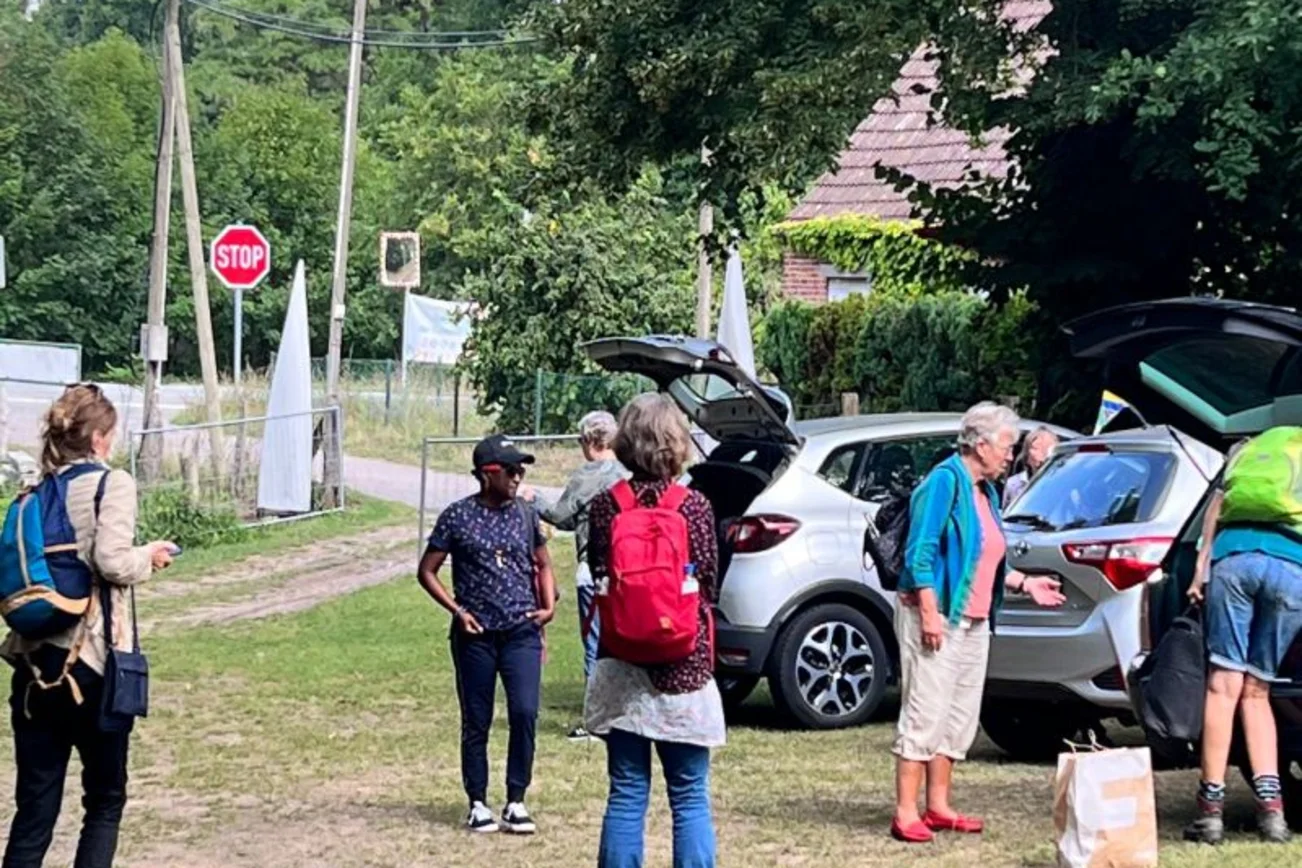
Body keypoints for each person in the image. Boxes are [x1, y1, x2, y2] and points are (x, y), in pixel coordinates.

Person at [1, 384, 175, 868]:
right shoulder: (110, 484)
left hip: (33, 665)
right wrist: (150, 555)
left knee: (34, 811)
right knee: (104, 800)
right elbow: (113, 563)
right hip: (93, 665)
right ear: (99, 438)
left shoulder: (32, 495)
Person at [891, 402, 1066, 844]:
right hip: (937, 615)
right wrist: (929, 613)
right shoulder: (943, 483)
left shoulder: (985, 492)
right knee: (925, 709)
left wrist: (1026, 584)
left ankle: (939, 806)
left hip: (973, 620)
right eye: (1007, 445)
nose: (1012, 454)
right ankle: (905, 811)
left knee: (959, 713)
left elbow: (981, 559)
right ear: (981, 444)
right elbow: (919, 555)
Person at [585, 393, 723, 868]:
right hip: (684, 664)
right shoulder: (696, 506)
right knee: (689, 797)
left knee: (626, 793)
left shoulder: (607, 507)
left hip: (622, 660)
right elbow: (708, 581)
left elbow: (599, 569)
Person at [416, 434, 556, 835]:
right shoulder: (457, 516)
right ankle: (477, 800)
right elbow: (427, 570)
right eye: (511, 470)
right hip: (475, 635)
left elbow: (543, 563)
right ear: (487, 473)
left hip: (521, 631)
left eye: (521, 470)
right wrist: (457, 611)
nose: (518, 477)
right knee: (477, 717)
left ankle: (516, 799)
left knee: (525, 712)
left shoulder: (526, 515)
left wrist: (548, 607)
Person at [1184, 433, 1298, 845]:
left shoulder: (1246, 455)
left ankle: (1210, 813)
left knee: (1223, 686)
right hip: (1292, 569)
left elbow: (1216, 508)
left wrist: (1201, 570)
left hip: (1235, 559)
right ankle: (1273, 815)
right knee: (1258, 690)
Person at [525, 411, 626, 742]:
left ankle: (596, 721)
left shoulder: (588, 476)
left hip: (593, 573)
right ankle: (623, 715)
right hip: (627, 571)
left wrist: (533, 498)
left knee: (595, 645)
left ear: (591, 441)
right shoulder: (628, 473)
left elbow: (561, 517)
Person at [1003, 426, 1059, 506]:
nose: (1043, 455)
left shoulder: (1060, 484)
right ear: (1027, 456)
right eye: (1036, 448)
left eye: (1047, 448)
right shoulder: (1014, 484)